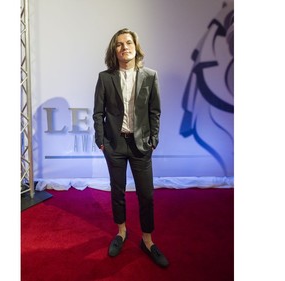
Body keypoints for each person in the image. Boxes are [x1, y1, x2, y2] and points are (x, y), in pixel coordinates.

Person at [93, 28, 169, 268]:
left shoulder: (150, 76)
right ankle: (121, 232)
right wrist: (101, 140)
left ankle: (147, 240)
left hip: (141, 146)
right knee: (117, 192)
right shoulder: (105, 78)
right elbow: (98, 113)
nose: (124, 47)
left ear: (136, 47)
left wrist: (153, 140)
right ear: (114, 50)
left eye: (128, 42)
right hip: (114, 145)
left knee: (146, 195)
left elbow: (154, 111)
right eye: (119, 44)